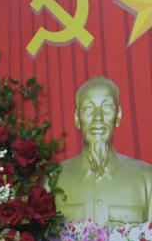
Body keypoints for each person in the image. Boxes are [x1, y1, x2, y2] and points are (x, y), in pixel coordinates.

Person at [55, 75, 152, 225]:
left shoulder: (147, 179)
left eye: (107, 108)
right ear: (76, 118)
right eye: (88, 108)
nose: (98, 117)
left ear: (118, 115)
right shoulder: (54, 179)